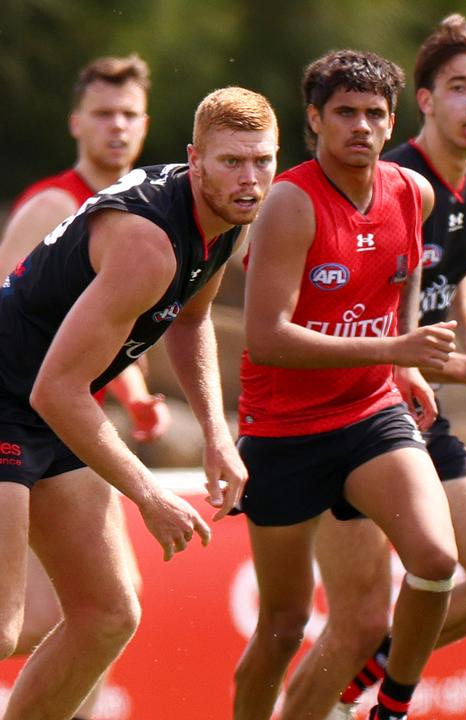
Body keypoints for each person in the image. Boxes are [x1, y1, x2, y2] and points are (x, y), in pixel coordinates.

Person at [0, 85, 277, 719]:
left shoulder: (231, 223)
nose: (250, 179)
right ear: (194, 159)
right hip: (16, 400)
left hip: (48, 409)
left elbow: (190, 321)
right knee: (3, 627)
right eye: (232, 162)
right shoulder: (148, 244)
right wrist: (149, 494)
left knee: (107, 615)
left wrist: (213, 432)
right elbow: (56, 389)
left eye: (262, 161)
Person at [293, 16, 466, 719]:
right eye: (458, 87)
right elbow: (351, 318)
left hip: (419, 413)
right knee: (356, 620)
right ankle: (337, 694)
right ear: (425, 102)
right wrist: (454, 364)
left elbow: (454, 272)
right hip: (353, 414)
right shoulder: (391, 182)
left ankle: (359, 691)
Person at [231, 50, 459, 720]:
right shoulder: (289, 204)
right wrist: (396, 347)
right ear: (314, 119)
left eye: (374, 114)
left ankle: (392, 705)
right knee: (283, 625)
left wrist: (404, 364)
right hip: (284, 432)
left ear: (392, 122)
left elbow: (404, 272)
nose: (361, 125)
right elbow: (265, 338)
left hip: (369, 414)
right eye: (345, 113)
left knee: (437, 559)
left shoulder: (409, 192)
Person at [0, 53, 171, 720]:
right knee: (34, 622)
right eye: (103, 113)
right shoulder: (53, 203)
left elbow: (102, 337)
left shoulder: (139, 215)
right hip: (20, 422)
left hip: (69, 431)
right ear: (76, 122)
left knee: (104, 612)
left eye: (129, 115)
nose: (117, 127)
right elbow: (23, 325)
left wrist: (135, 395)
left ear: (146, 124)